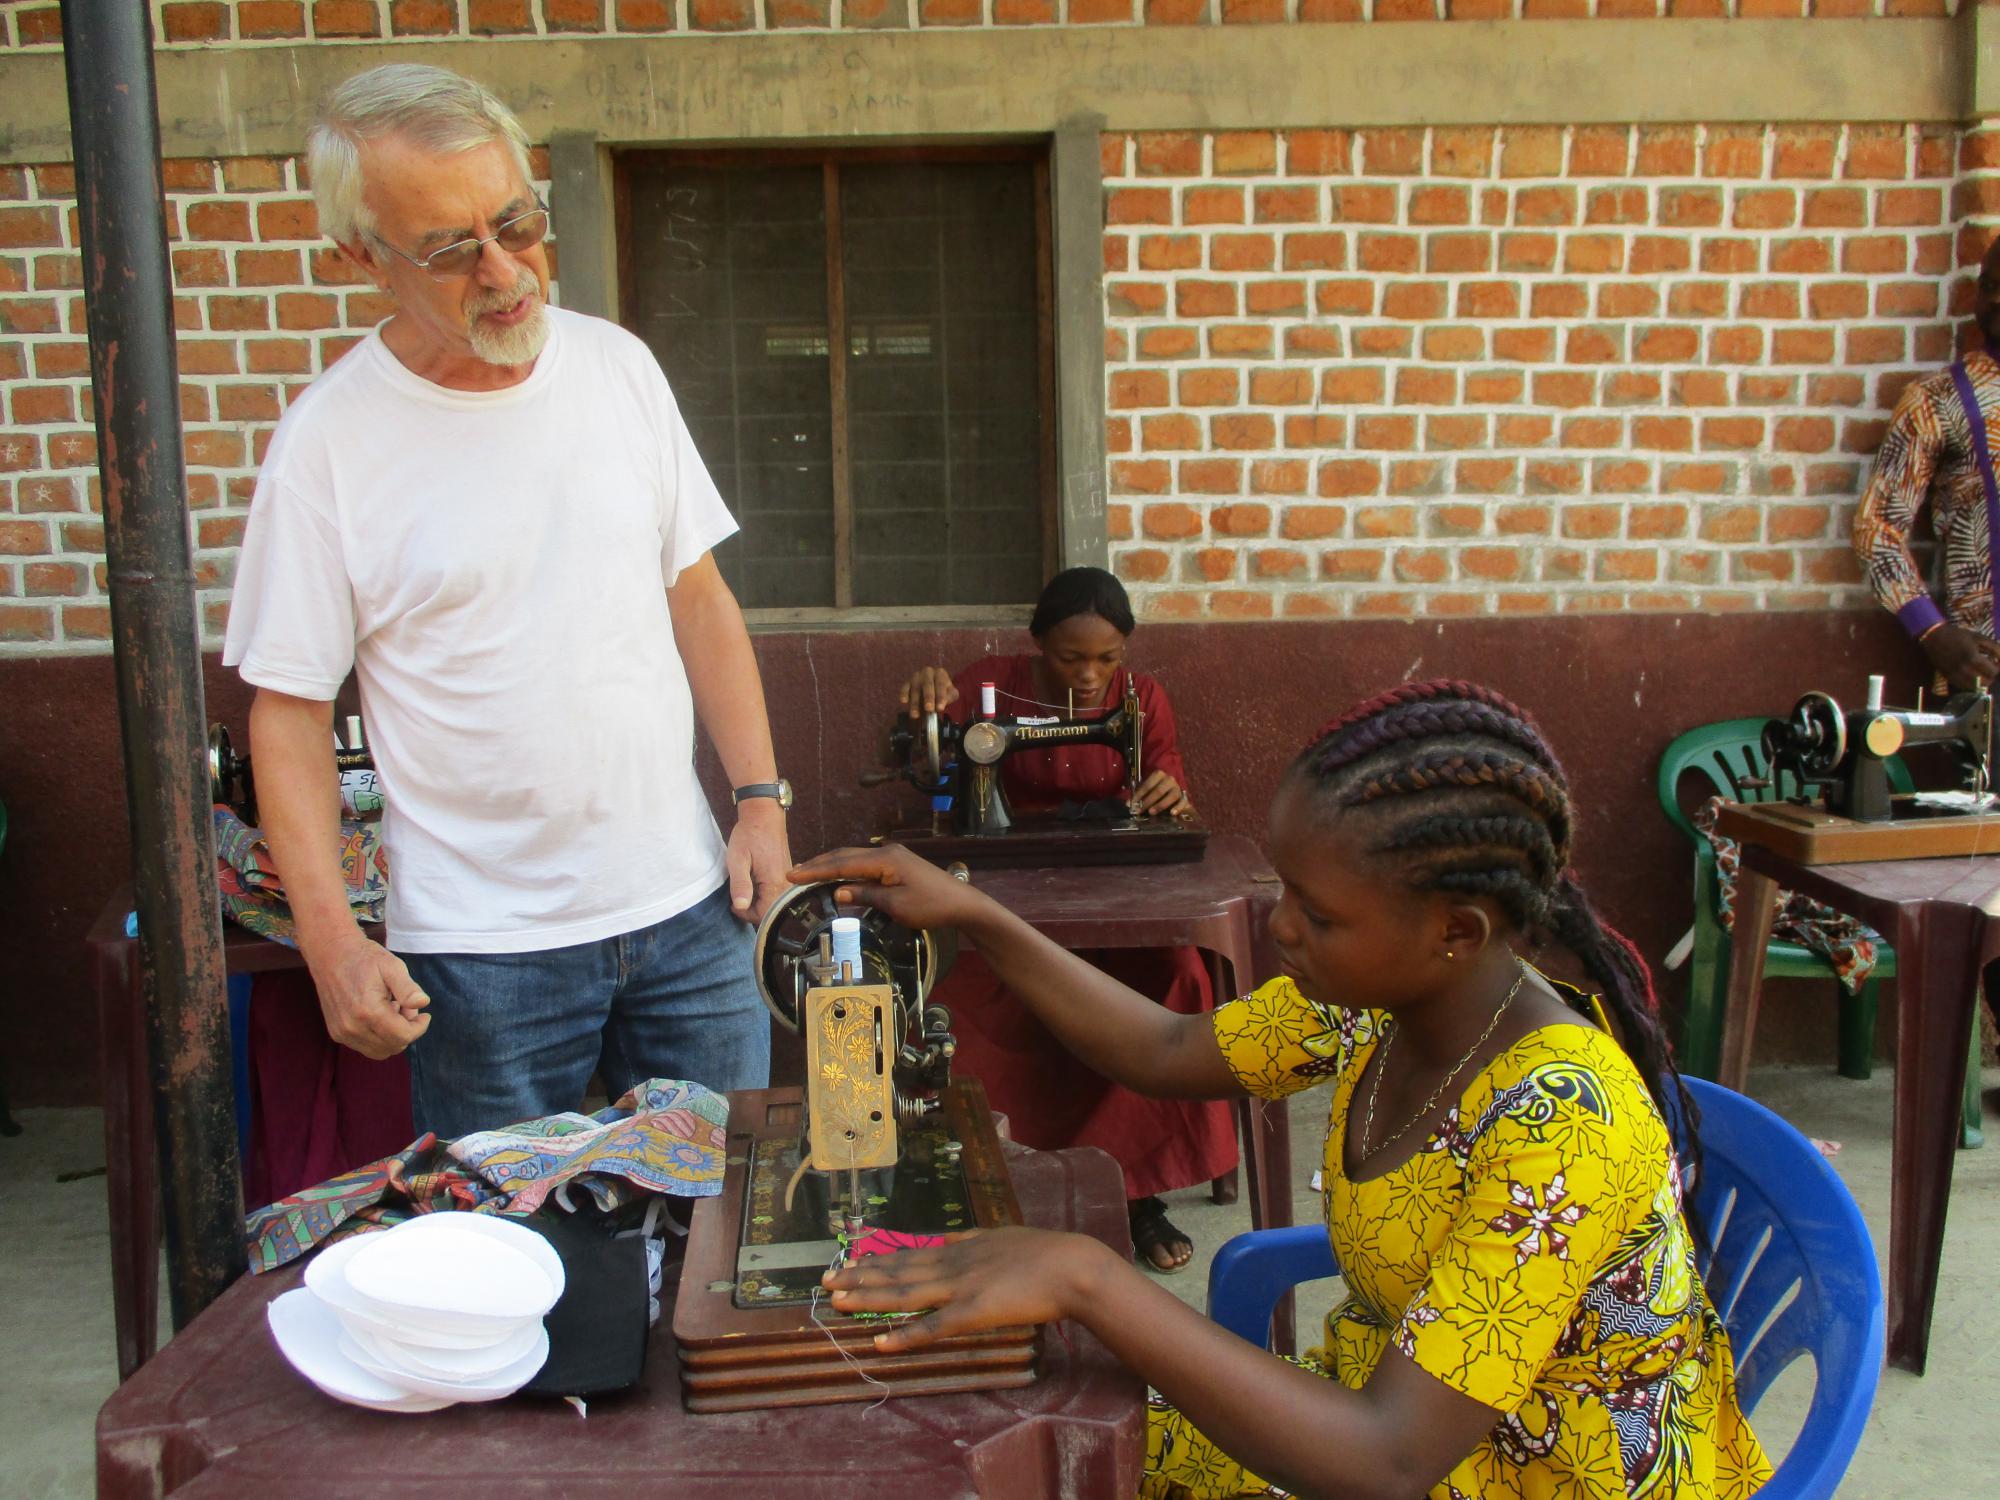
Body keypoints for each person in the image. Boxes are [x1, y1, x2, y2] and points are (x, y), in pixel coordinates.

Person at [797, 681, 1771, 1499]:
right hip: (1411, 1418)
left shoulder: (1560, 1121)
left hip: (1540, 1477)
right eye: (1282, 891)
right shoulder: (1380, 1006)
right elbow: (1167, 1045)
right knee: (1060, 1437)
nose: (1280, 928)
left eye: (1315, 913)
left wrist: (1087, 1279)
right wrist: (977, 914)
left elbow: (1387, 1460)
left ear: (1456, 931)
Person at [222, 64, 788, 1138]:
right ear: (361, 257)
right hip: (482, 959)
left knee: (725, 1236)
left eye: (515, 223)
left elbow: (697, 596)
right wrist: (334, 943)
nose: (502, 270)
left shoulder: (617, 370)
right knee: (504, 1261)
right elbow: (287, 714)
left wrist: (760, 795)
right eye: (447, 248)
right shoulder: (328, 445)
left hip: (687, 909)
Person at [895, 567, 1236, 1273]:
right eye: (1069, 657)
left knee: (1173, 978)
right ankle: (996, 1180)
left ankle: (1136, 1196)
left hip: (1116, 898)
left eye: (1107, 659)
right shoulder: (987, 681)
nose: (1089, 676)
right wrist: (922, 708)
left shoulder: (1142, 701)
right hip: (1015, 900)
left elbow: (1169, 789)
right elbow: (925, 755)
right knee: (963, 1007)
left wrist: (1170, 791)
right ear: (1036, 646)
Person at [1853, 234, 2000, 691]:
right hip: (1987, 672)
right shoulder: (1937, 400)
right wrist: (1933, 630)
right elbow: (1876, 528)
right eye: (1988, 285)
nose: (1995, 298)